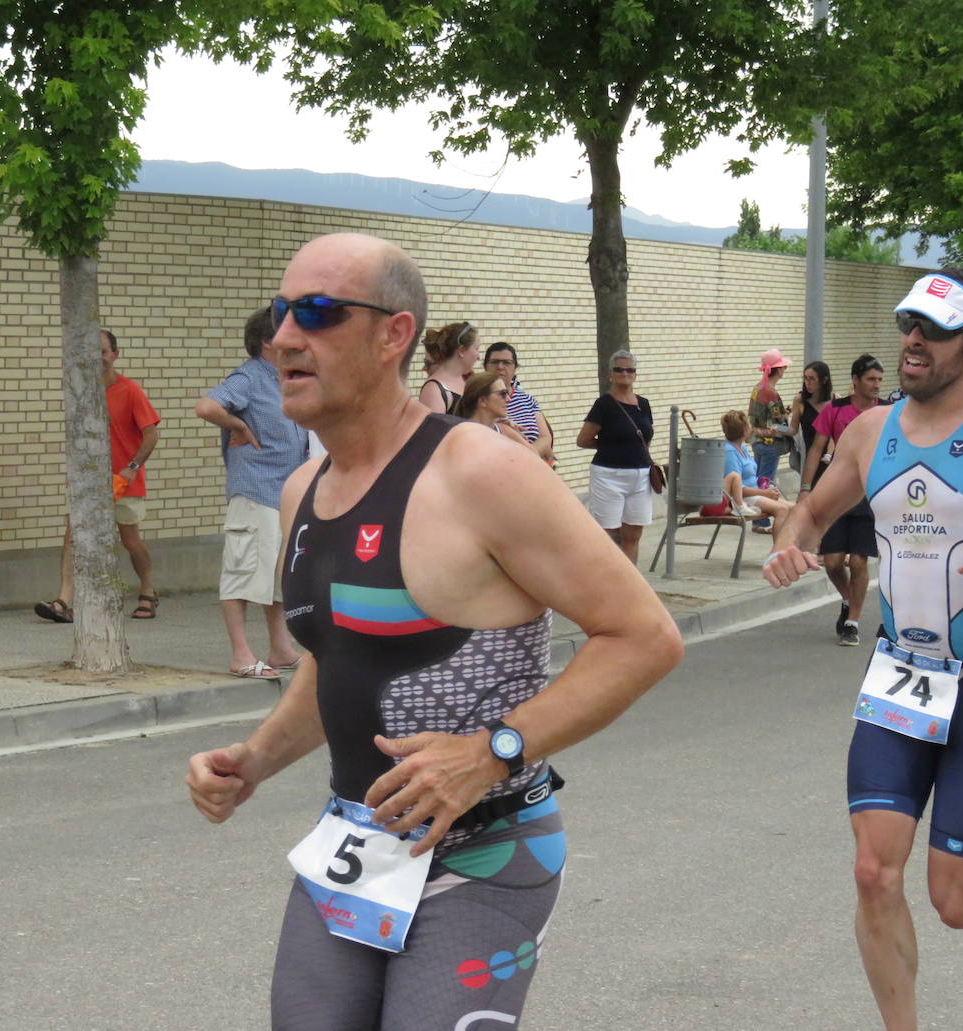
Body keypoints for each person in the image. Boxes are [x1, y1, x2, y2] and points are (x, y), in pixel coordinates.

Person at [186, 232, 682, 1030]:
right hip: (355, 849)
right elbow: (338, 661)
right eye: (283, 311)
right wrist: (255, 760)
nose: (284, 336)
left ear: (394, 335)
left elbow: (644, 634)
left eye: (318, 312)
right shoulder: (301, 490)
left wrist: (494, 750)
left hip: (484, 853)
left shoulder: (480, 472)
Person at [763, 268, 963, 1031]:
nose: (912, 340)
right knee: (874, 871)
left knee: (956, 899)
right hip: (901, 673)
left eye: (933, 331)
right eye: (909, 323)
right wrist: (788, 541)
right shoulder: (871, 430)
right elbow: (811, 508)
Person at [194, 308, 308, 679]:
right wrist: (236, 425)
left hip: (284, 493)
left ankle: (280, 649)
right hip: (256, 490)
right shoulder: (249, 376)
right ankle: (241, 654)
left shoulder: (283, 378)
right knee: (243, 573)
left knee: (276, 578)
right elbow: (207, 405)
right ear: (267, 342)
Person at [34, 330, 160, 623]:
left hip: (123, 481)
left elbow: (151, 435)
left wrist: (132, 467)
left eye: (103, 352)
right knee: (72, 537)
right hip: (88, 480)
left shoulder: (130, 391)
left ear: (114, 355)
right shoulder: (81, 391)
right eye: (92, 352)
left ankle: (147, 589)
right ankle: (64, 601)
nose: (98, 358)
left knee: (130, 540)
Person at [801, 353, 885, 646]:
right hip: (837, 493)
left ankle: (852, 622)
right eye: (871, 379)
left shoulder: (888, 411)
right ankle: (849, 599)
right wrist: (805, 488)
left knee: (859, 561)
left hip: (871, 496)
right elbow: (815, 450)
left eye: (879, 380)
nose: (876, 385)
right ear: (855, 380)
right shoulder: (835, 410)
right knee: (834, 563)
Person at [576, 349, 656, 564]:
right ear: (610, 374)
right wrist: (612, 444)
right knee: (608, 534)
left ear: (636, 374)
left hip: (640, 475)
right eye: (619, 369)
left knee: (633, 534)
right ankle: (605, 583)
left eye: (630, 369)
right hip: (608, 475)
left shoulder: (644, 404)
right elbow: (583, 440)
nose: (625, 373)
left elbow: (645, 438)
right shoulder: (604, 404)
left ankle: (630, 585)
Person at [700, 410, 793, 531]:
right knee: (782, 510)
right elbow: (736, 488)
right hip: (744, 498)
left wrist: (764, 486)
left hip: (756, 493)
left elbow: (749, 477)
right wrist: (764, 493)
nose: (751, 427)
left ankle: (790, 542)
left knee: (795, 508)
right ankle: (780, 547)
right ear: (744, 431)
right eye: (748, 425)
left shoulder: (742, 447)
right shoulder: (730, 452)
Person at [483, 342, 556, 463]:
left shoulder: (527, 400)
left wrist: (526, 457)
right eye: (495, 362)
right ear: (485, 367)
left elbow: (546, 437)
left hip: (530, 467)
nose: (500, 367)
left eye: (507, 363)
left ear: (515, 368)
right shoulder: (479, 399)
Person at [748, 347, 794, 488]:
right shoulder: (771, 391)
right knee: (766, 485)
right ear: (778, 369)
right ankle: (765, 509)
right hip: (770, 442)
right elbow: (779, 418)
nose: (785, 368)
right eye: (783, 366)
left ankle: (757, 507)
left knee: (757, 481)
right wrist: (790, 411)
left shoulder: (758, 388)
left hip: (757, 440)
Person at [453, 370, 534, 451]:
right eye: (503, 393)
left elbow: (534, 457)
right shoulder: (462, 436)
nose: (508, 399)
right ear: (483, 401)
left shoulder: (505, 430)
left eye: (507, 393)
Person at [787, 360, 834, 486]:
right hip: (813, 460)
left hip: (834, 459)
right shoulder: (800, 401)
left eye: (812, 379)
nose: (807, 383)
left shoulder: (835, 401)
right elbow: (793, 429)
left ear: (824, 380)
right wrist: (776, 430)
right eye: (805, 378)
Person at [417, 321, 478, 413]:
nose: (478, 356)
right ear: (461, 351)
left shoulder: (468, 380)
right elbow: (433, 427)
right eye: (476, 349)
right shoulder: (434, 390)